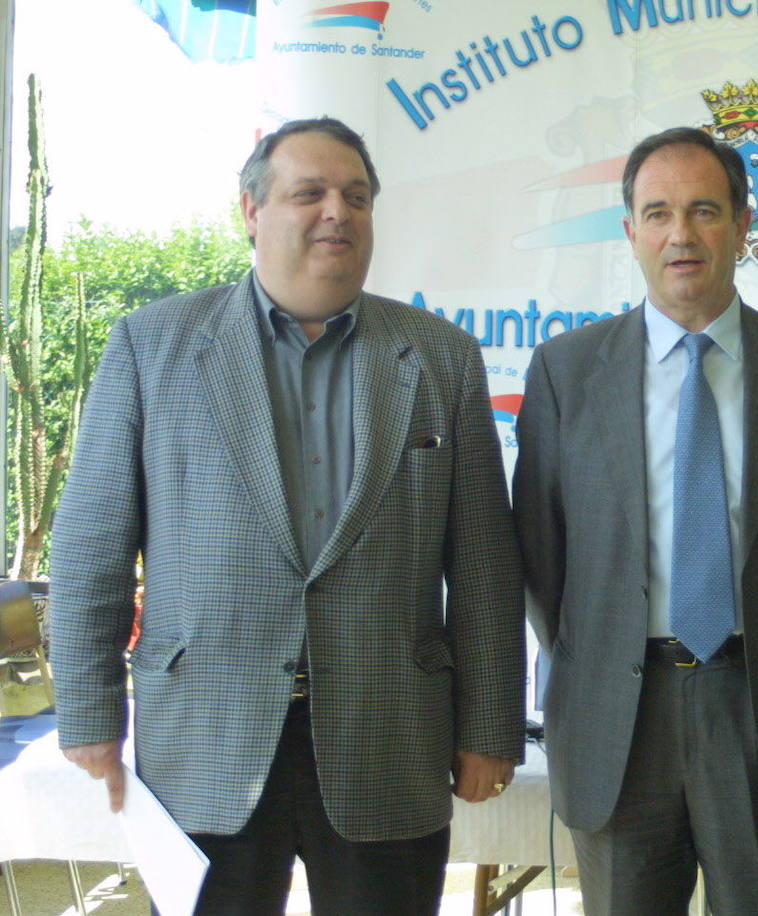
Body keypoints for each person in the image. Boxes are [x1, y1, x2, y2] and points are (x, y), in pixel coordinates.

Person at [48, 117, 526, 915]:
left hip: (388, 736)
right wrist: (89, 713)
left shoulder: (440, 356)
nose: (337, 211)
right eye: (310, 193)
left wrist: (489, 726)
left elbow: (483, 563)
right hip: (205, 736)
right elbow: (92, 546)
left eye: (357, 196)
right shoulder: (152, 344)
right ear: (251, 210)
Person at [512, 127, 758, 915]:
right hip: (618, 718)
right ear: (630, 233)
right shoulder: (566, 372)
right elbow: (542, 557)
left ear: (745, 226)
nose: (682, 234)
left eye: (705, 210)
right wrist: (596, 654)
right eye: (659, 212)